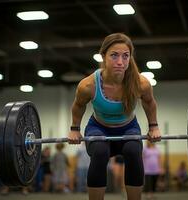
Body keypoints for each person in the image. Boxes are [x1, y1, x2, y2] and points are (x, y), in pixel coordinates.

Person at [68, 33, 161, 200]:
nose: (120, 62)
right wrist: (75, 129)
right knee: (100, 151)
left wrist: (153, 126)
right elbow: (78, 105)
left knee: (133, 151)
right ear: (103, 56)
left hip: (129, 127)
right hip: (98, 127)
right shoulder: (88, 85)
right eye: (114, 55)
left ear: (130, 58)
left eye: (125, 56)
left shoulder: (141, 83)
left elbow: (149, 102)